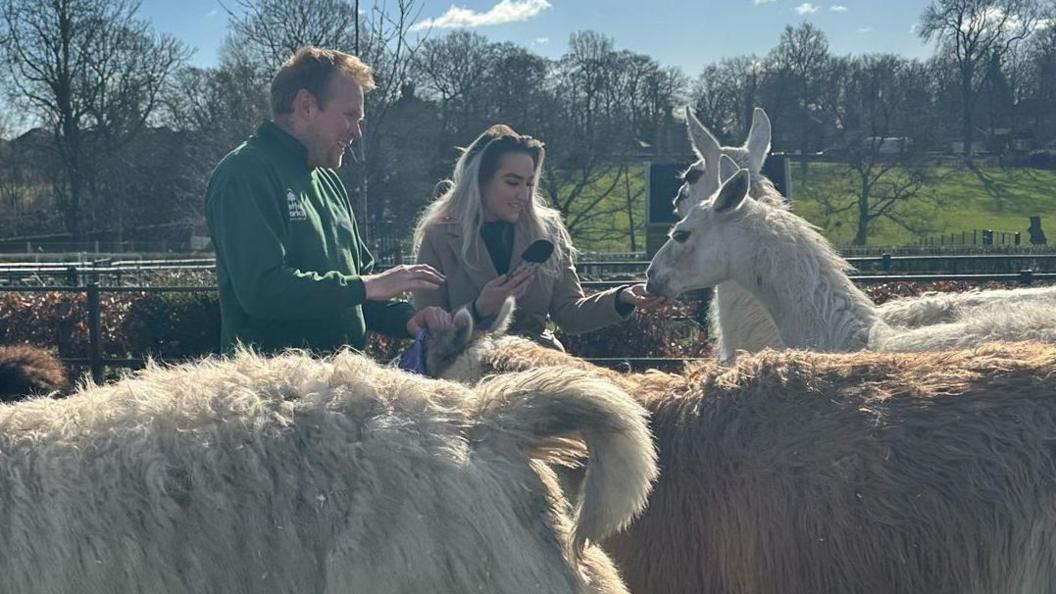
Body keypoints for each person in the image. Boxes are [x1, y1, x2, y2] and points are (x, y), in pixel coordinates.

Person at [205, 47, 450, 354]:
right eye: (350, 115)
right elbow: (262, 291)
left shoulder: (329, 181)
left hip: (339, 388)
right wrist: (366, 285)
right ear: (306, 105)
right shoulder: (244, 173)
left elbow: (360, 295)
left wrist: (409, 320)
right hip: (271, 392)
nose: (357, 132)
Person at [412, 124, 658, 350]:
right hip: (467, 370)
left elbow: (569, 313)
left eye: (529, 184)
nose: (523, 194)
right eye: (512, 182)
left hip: (537, 365)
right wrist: (479, 309)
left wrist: (622, 297)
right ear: (479, 182)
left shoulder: (547, 230)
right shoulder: (440, 235)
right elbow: (428, 329)